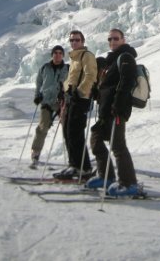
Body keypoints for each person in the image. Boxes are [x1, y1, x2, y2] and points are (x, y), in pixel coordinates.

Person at [86, 28, 141, 196]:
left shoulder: (126, 57)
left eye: (116, 38)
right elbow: (109, 85)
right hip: (106, 110)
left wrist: (117, 104)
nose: (112, 42)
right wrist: (98, 93)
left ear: (123, 39)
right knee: (96, 138)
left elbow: (127, 82)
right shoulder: (112, 61)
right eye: (110, 39)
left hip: (117, 110)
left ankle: (129, 183)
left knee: (118, 146)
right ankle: (105, 176)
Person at [53, 30, 97, 180]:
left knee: (75, 133)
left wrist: (79, 92)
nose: (74, 43)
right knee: (68, 131)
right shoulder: (74, 59)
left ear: (83, 41)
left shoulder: (87, 56)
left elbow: (91, 75)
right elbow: (71, 79)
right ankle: (74, 165)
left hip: (81, 99)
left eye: (77, 40)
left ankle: (83, 168)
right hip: (72, 99)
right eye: (72, 40)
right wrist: (64, 91)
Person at [30, 45, 68, 169]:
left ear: (63, 55)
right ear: (52, 55)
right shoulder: (44, 68)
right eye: (55, 53)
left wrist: (66, 96)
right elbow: (39, 83)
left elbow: (70, 84)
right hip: (46, 101)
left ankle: (73, 155)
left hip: (61, 101)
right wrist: (37, 95)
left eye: (60, 53)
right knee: (42, 127)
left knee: (68, 127)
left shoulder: (67, 68)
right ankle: (35, 154)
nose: (57, 55)